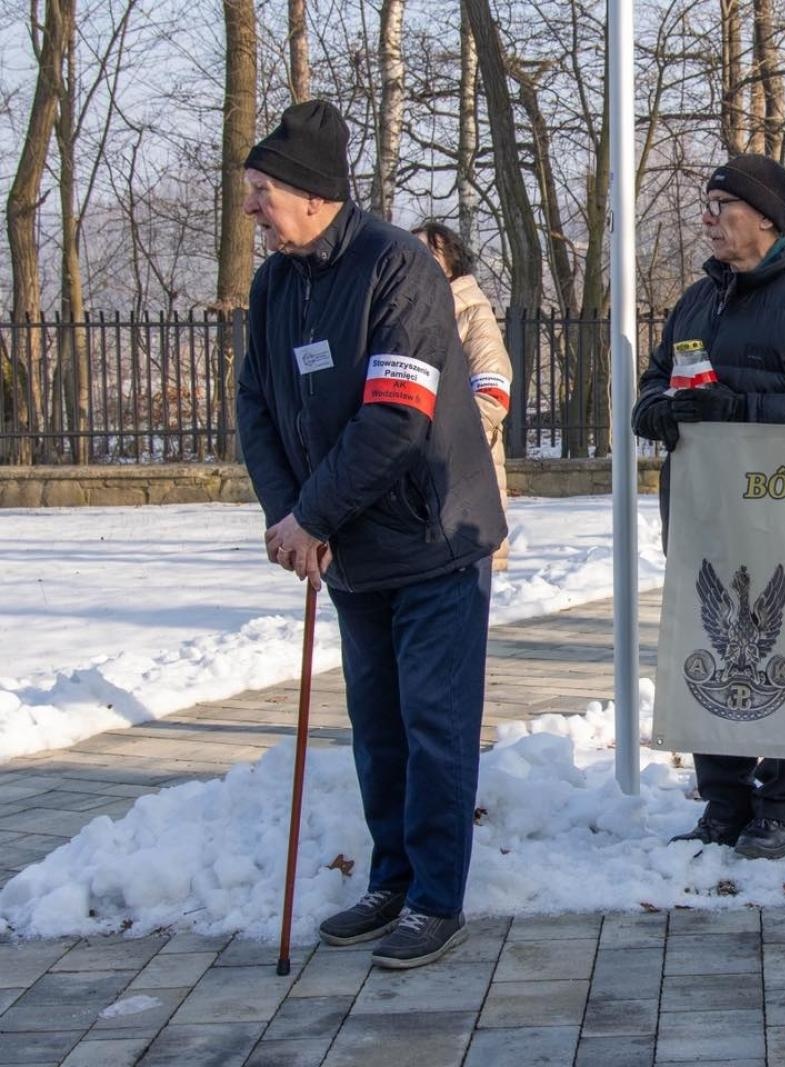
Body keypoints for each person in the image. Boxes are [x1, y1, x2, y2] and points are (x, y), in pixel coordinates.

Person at [235, 100, 505, 969]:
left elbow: (396, 417)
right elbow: (255, 406)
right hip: (350, 551)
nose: (251, 209)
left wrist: (314, 513)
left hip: (432, 543)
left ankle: (435, 897)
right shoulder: (276, 284)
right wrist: (293, 518)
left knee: (434, 723)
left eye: (261, 192)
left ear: (312, 196)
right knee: (378, 725)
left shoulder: (399, 269)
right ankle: (390, 876)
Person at [631, 153, 785, 860]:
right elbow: (654, 380)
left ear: (766, 216)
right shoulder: (695, 300)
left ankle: (778, 803)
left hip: (783, 520)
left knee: (775, 648)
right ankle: (723, 801)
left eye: (721, 204)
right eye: (706, 204)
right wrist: (654, 409)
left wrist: (742, 407)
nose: (707, 217)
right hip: (703, 515)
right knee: (708, 648)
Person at [413, 221, 515, 572]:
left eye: (428, 253)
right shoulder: (415, 313)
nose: (417, 261)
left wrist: (436, 437)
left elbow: (492, 395)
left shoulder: (473, 313)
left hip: (464, 476)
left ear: (451, 263)